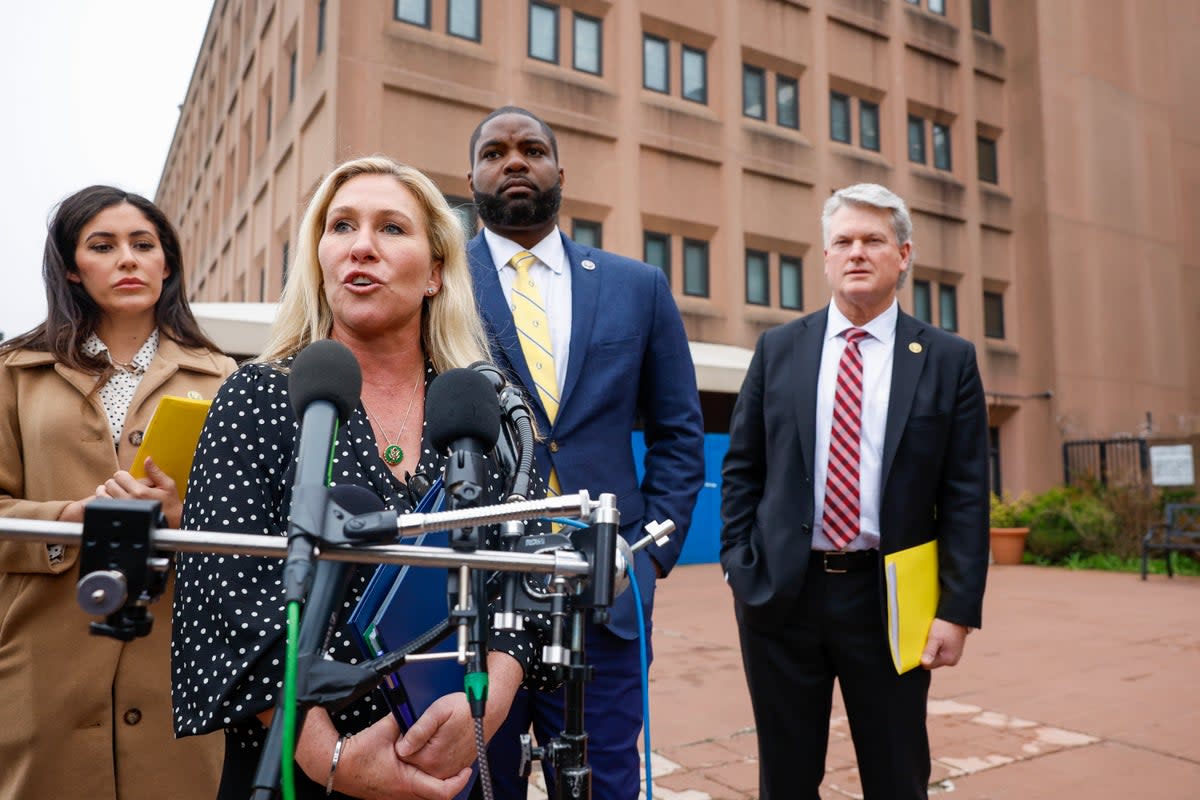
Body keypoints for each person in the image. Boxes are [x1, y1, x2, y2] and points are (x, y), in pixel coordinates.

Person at [171, 156, 559, 800]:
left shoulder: (475, 404)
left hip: (457, 758)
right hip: (298, 764)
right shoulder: (258, 396)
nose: (362, 247)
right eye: (341, 225)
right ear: (319, 259)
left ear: (436, 273)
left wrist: (490, 702)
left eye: (391, 229)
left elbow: (526, 574)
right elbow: (227, 598)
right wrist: (334, 757)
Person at [466, 106, 706, 799]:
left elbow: (678, 431)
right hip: (476, 588)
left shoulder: (638, 287)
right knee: (480, 781)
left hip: (606, 586)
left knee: (605, 781)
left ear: (559, 172)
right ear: (472, 175)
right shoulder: (438, 284)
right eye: (496, 152)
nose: (515, 161)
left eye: (532, 149)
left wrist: (649, 554)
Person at [720, 183, 990, 799]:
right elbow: (742, 467)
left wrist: (957, 610)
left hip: (891, 598)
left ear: (904, 254)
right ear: (824, 258)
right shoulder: (779, 349)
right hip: (782, 594)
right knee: (785, 779)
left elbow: (968, 493)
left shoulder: (948, 359)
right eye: (842, 241)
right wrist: (740, 563)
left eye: (873, 240)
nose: (857, 252)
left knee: (897, 776)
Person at [0, 185, 235, 800]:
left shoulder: (226, 376)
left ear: (168, 263)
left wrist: (185, 517)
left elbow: (253, 528)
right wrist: (71, 519)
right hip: (40, 659)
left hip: (178, 657)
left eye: (143, 244)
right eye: (103, 246)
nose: (128, 259)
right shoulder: (13, 372)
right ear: (73, 270)